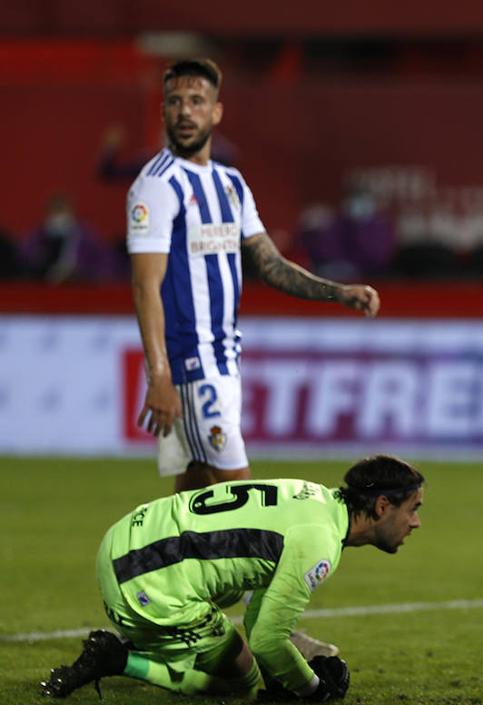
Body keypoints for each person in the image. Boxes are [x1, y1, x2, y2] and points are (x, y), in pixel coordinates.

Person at [127, 59, 381, 493]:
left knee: (195, 501)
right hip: (192, 364)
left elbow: (270, 264)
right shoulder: (156, 186)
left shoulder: (230, 184)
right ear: (164, 112)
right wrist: (161, 376)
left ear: (216, 112)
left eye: (196, 101)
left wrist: (338, 293)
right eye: (174, 102)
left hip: (225, 359)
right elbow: (145, 285)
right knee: (242, 500)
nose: (185, 112)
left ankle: (172, 562)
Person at [40, 455, 424, 701]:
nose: (416, 523)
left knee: (235, 583)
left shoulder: (313, 497)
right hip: (148, 578)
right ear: (381, 506)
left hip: (127, 537)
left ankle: (147, 638)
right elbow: (268, 639)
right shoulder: (320, 542)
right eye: (413, 509)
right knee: (242, 684)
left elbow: (259, 617)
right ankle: (120, 657)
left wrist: (291, 670)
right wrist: (312, 687)